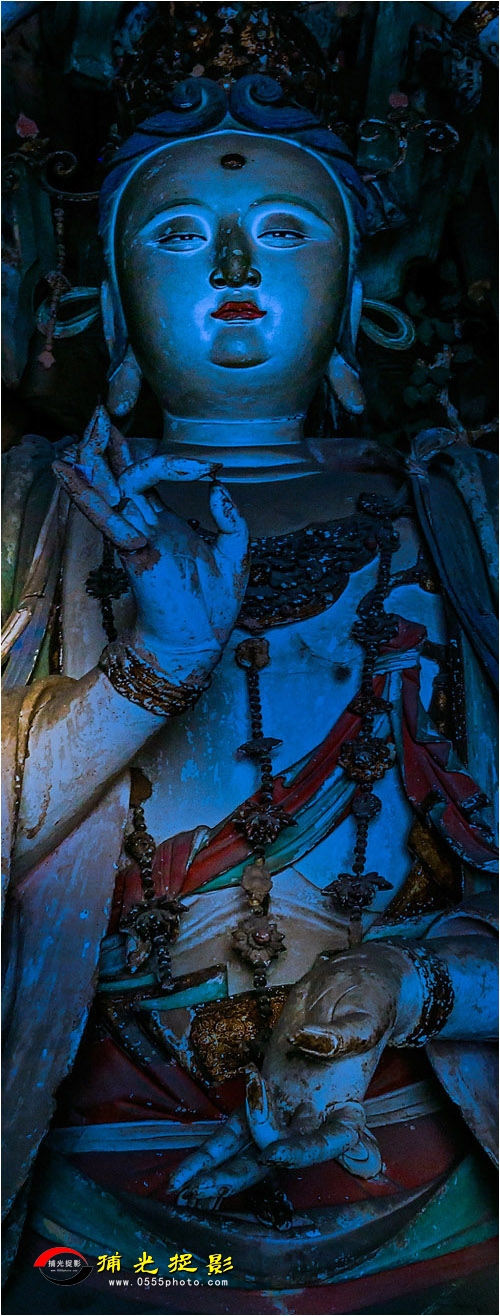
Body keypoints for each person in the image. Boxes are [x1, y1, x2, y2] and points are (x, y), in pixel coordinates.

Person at [2, 75, 498, 1307]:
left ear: (356, 299)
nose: (233, 263)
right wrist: (155, 664)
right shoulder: (29, 517)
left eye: (284, 228)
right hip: (89, 1173)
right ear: (113, 304)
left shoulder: (464, 525)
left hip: (419, 1160)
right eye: (178, 234)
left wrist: (403, 986)